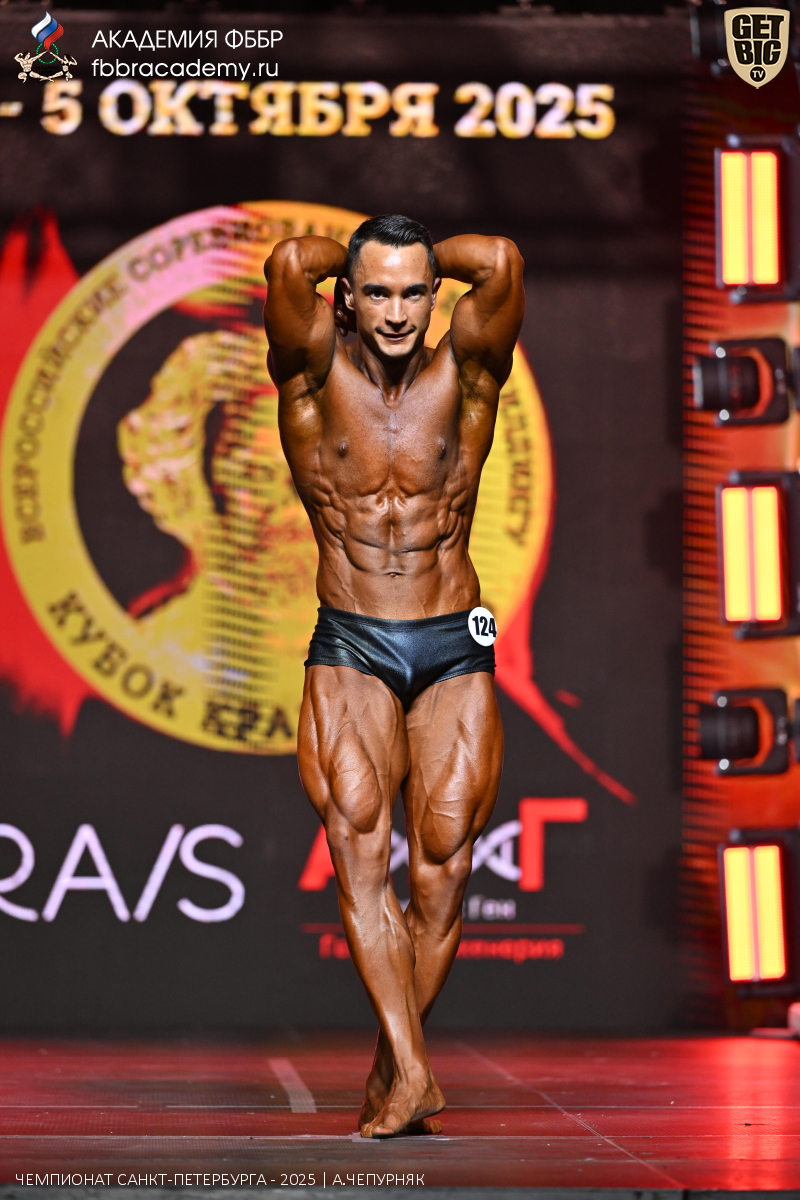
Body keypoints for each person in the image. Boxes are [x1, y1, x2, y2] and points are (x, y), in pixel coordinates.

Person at [263, 215, 524, 1138]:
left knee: (445, 868)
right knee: (362, 851)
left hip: (453, 638)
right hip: (354, 643)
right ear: (347, 296)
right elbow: (288, 263)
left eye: (415, 291)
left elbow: (500, 262)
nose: (400, 311)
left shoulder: (470, 373)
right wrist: (362, 249)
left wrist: (412, 252)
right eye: (377, 292)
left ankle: (394, 1068)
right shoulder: (310, 373)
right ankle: (415, 1073)